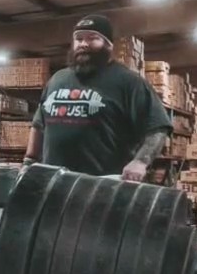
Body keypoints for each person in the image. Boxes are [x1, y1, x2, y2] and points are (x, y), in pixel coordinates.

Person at [25, 14, 173, 180]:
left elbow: (158, 127)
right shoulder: (57, 79)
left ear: (108, 45)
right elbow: (38, 124)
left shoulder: (129, 82)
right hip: (53, 182)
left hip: (103, 185)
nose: (83, 44)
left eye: (92, 38)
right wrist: (29, 161)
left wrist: (140, 162)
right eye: (79, 39)